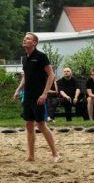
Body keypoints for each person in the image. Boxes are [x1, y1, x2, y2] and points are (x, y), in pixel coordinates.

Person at [12, 32, 60, 162]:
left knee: (41, 125)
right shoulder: (26, 58)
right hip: (27, 95)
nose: (25, 39)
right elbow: (25, 77)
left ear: (34, 43)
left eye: (28, 38)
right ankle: (31, 156)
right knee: (28, 124)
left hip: (39, 96)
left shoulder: (41, 56)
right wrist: (18, 90)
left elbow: (51, 75)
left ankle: (55, 154)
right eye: (25, 38)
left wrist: (44, 94)